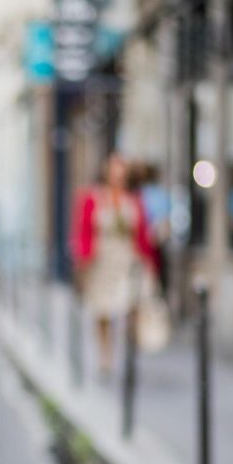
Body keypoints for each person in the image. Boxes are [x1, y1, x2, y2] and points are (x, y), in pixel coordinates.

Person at [70, 153, 158, 376]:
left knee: (131, 306)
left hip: (127, 260)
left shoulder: (134, 200)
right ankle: (105, 355)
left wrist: (150, 263)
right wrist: (81, 263)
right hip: (101, 262)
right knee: (102, 311)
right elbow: (83, 231)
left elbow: (142, 234)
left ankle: (128, 354)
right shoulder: (93, 197)